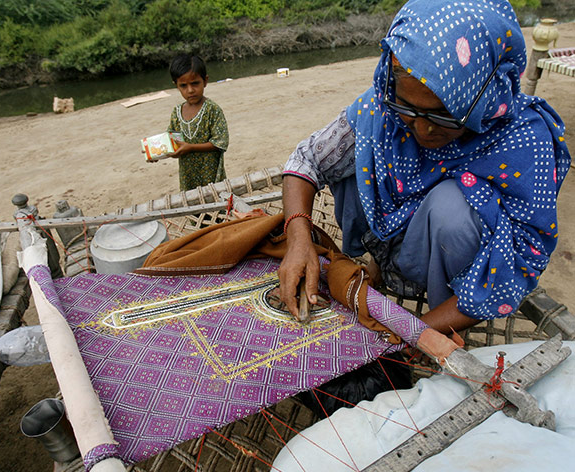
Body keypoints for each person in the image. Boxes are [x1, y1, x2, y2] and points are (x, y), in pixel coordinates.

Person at [279, 0, 571, 337]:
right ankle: (383, 265)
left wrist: (413, 333)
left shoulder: (523, 139)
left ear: (481, 96)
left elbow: (525, 259)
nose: (423, 130)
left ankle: (440, 308)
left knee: (451, 209)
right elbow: (307, 159)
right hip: (389, 239)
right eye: (409, 110)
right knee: (357, 153)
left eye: (444, 116)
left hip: (456, 264)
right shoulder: (382, 105)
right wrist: (298, 237)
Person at [167, 54, 229, 191]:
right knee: (192, 205)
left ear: (205, 81)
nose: (190, 90)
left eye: (195, 83)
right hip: (187, 175)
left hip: (210, 173)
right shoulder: (177, 112)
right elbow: (171, 140)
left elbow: (220, 142)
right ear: (176, 86)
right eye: (183, 85)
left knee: (214, 203)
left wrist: (191, 147)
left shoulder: (212, 110)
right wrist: (155, 153)